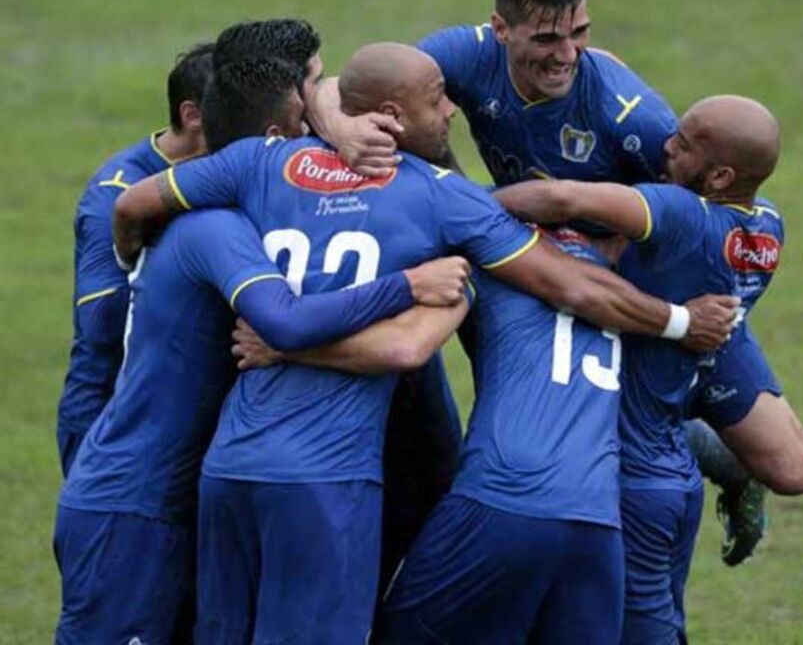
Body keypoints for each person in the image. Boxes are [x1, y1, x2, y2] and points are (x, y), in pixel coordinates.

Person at [113, 42, 738, 644]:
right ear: (390, 116)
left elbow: (137, 203)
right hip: (338, 481)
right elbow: (561, 290)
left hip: (231, 466)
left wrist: (140, 263)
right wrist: (678, 321)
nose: (451, 111)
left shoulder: (260, 164)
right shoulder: (448, 204)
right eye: (438, 99)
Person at [318, 0, 767, 563]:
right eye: (549, 38)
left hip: (628, 273)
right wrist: (342, 124)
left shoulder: (629, 114)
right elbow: (358, 81)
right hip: (521, 241)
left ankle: (733, 465)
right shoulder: (469, 53)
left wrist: (610, 251)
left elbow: (691, 216)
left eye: (579, 34)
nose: (568, 55)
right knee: (534, 387)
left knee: (786, 459)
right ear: (501, 29)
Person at [494, 93, 803, 635]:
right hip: (709, 339)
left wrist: (455, 202)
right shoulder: (767, 223)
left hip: (675, 356)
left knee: (738, 455)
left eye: (684, 143)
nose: (665, 144)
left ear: (719, 176)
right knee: (791, 464)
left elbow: (562, 197)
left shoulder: (677, 215)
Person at [55, 59, 473, 643]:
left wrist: (337, 118)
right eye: (304, 123)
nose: (316, 141)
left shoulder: (186, 206)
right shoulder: (213, 229)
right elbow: (284, 321)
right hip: (135, 503)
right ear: (271, 138)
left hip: (181, 490)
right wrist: (409, 285)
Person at [379, 227, 626, 645]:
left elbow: (407, 345)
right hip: (599, 519)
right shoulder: (624, 277)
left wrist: (286, 347)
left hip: (502, 501)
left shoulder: (490, 255)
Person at [55, 42, 214, 477]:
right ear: (192, 115)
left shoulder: (213, 171)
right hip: (107, 417)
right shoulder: (118, 192)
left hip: (174, 412)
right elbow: (101, 319)